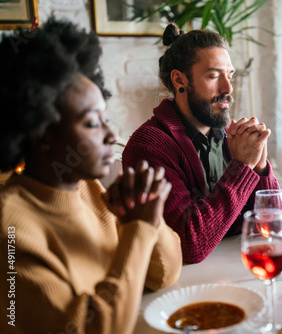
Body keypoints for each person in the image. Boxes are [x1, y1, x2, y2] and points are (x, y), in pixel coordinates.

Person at [0, 18, 182, 333]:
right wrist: (138, 228)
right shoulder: (11, 231)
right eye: (91, 123)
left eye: (105, 118)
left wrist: (147, 218)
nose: (112, 134)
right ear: (43, 134)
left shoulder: (91, 189)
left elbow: (164, 274)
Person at [122, 23, 282, 263]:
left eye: (229, 75)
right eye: (213, 75)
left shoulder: (234, 136)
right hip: (182, 287)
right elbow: (188, 245)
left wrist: (260, 169)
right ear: (180, 80)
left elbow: (275, 226)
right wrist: (242, 167)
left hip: (240, 270)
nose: (228, 88)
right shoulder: (149, 146)